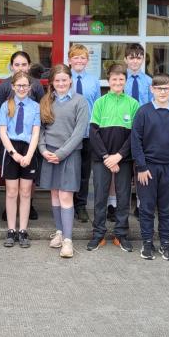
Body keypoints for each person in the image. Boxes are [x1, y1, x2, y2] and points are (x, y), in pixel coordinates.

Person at [131, 73, 169, 261]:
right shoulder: (143, 112)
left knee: (166, 208)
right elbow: (136, 141)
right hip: (147, 168)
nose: (162, 92)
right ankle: (147, 242)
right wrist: (141, 167)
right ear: (152, 90)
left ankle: (165, 242)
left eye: (166, 88)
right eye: (158, 88)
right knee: (147, 207)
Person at [40, 64, 90, 258]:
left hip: (69, 154)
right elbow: (40, 129)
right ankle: (60, 233)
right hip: (49, 154)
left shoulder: (80, 101)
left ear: (70, 80)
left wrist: (61, 153)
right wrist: (43, 150)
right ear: (52, 82)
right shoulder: (46, 100)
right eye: (57, 80)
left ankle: (68, 241)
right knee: (54, 194)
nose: (61, 83)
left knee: (65, 196)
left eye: (64, 80)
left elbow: (79, 132)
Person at [88, 64, 139, 252]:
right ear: (108, 81)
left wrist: (118, 156)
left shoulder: (133, 104)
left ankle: (121, 234)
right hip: (101, 158)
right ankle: (98, 234)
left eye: (121, 79)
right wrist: (106, 157)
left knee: (124, 197)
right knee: (100, 196)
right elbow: (93, 132)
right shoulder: (100, 103)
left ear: (126, 81)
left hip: (123, 158)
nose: (118, 82)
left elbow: (134, 135)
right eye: (114, 79)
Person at [0, 50, 44, 222]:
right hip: (10, 142)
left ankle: (29, 205)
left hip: (29, 143)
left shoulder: (36, 87)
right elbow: (0, 117)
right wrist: (10, 151)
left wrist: (30, 154)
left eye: (24, 64)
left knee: (27, 185)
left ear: (29, 66)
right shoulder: (4, 87)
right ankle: (10, 211)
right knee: (12, 186)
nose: (20, 67)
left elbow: (40, 111)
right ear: (11, 66)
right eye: (17, 64)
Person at [0, 71, 41, 248]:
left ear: (30, 87)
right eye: (19, 85)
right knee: (11, 192)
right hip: (11, 149)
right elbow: (2, 132)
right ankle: (11, 230)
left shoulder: (35, 107)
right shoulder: (6, 105)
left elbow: (36, 132)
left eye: (25, 85)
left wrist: (29, 155)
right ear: (13, 87)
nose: (22, 88)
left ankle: (22, 230)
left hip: (28, 148)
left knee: (25, 192)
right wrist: (13, 154)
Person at [117, 43, 152, 221]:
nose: (135, 61)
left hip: (143, 128)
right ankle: (115, 204)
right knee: (122, 167)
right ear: (125, 59)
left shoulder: (149, 81)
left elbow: (152, 105)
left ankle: (140, 204)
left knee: (140, 166)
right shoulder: (121, 80)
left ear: (143, 59)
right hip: (123, 127)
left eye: (138, 57)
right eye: (131, 57)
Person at [68, 44, 100, 224]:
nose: (79, 60)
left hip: (87, 133)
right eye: (76, 57)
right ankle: (68, 203)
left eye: (82, 57)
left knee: (84, 171)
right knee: (69, 169)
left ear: (87, 61)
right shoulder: (65, 79)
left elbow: (96, 106)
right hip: (69, 132)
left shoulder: (93, 81)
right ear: (69, 60)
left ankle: (80, 205)